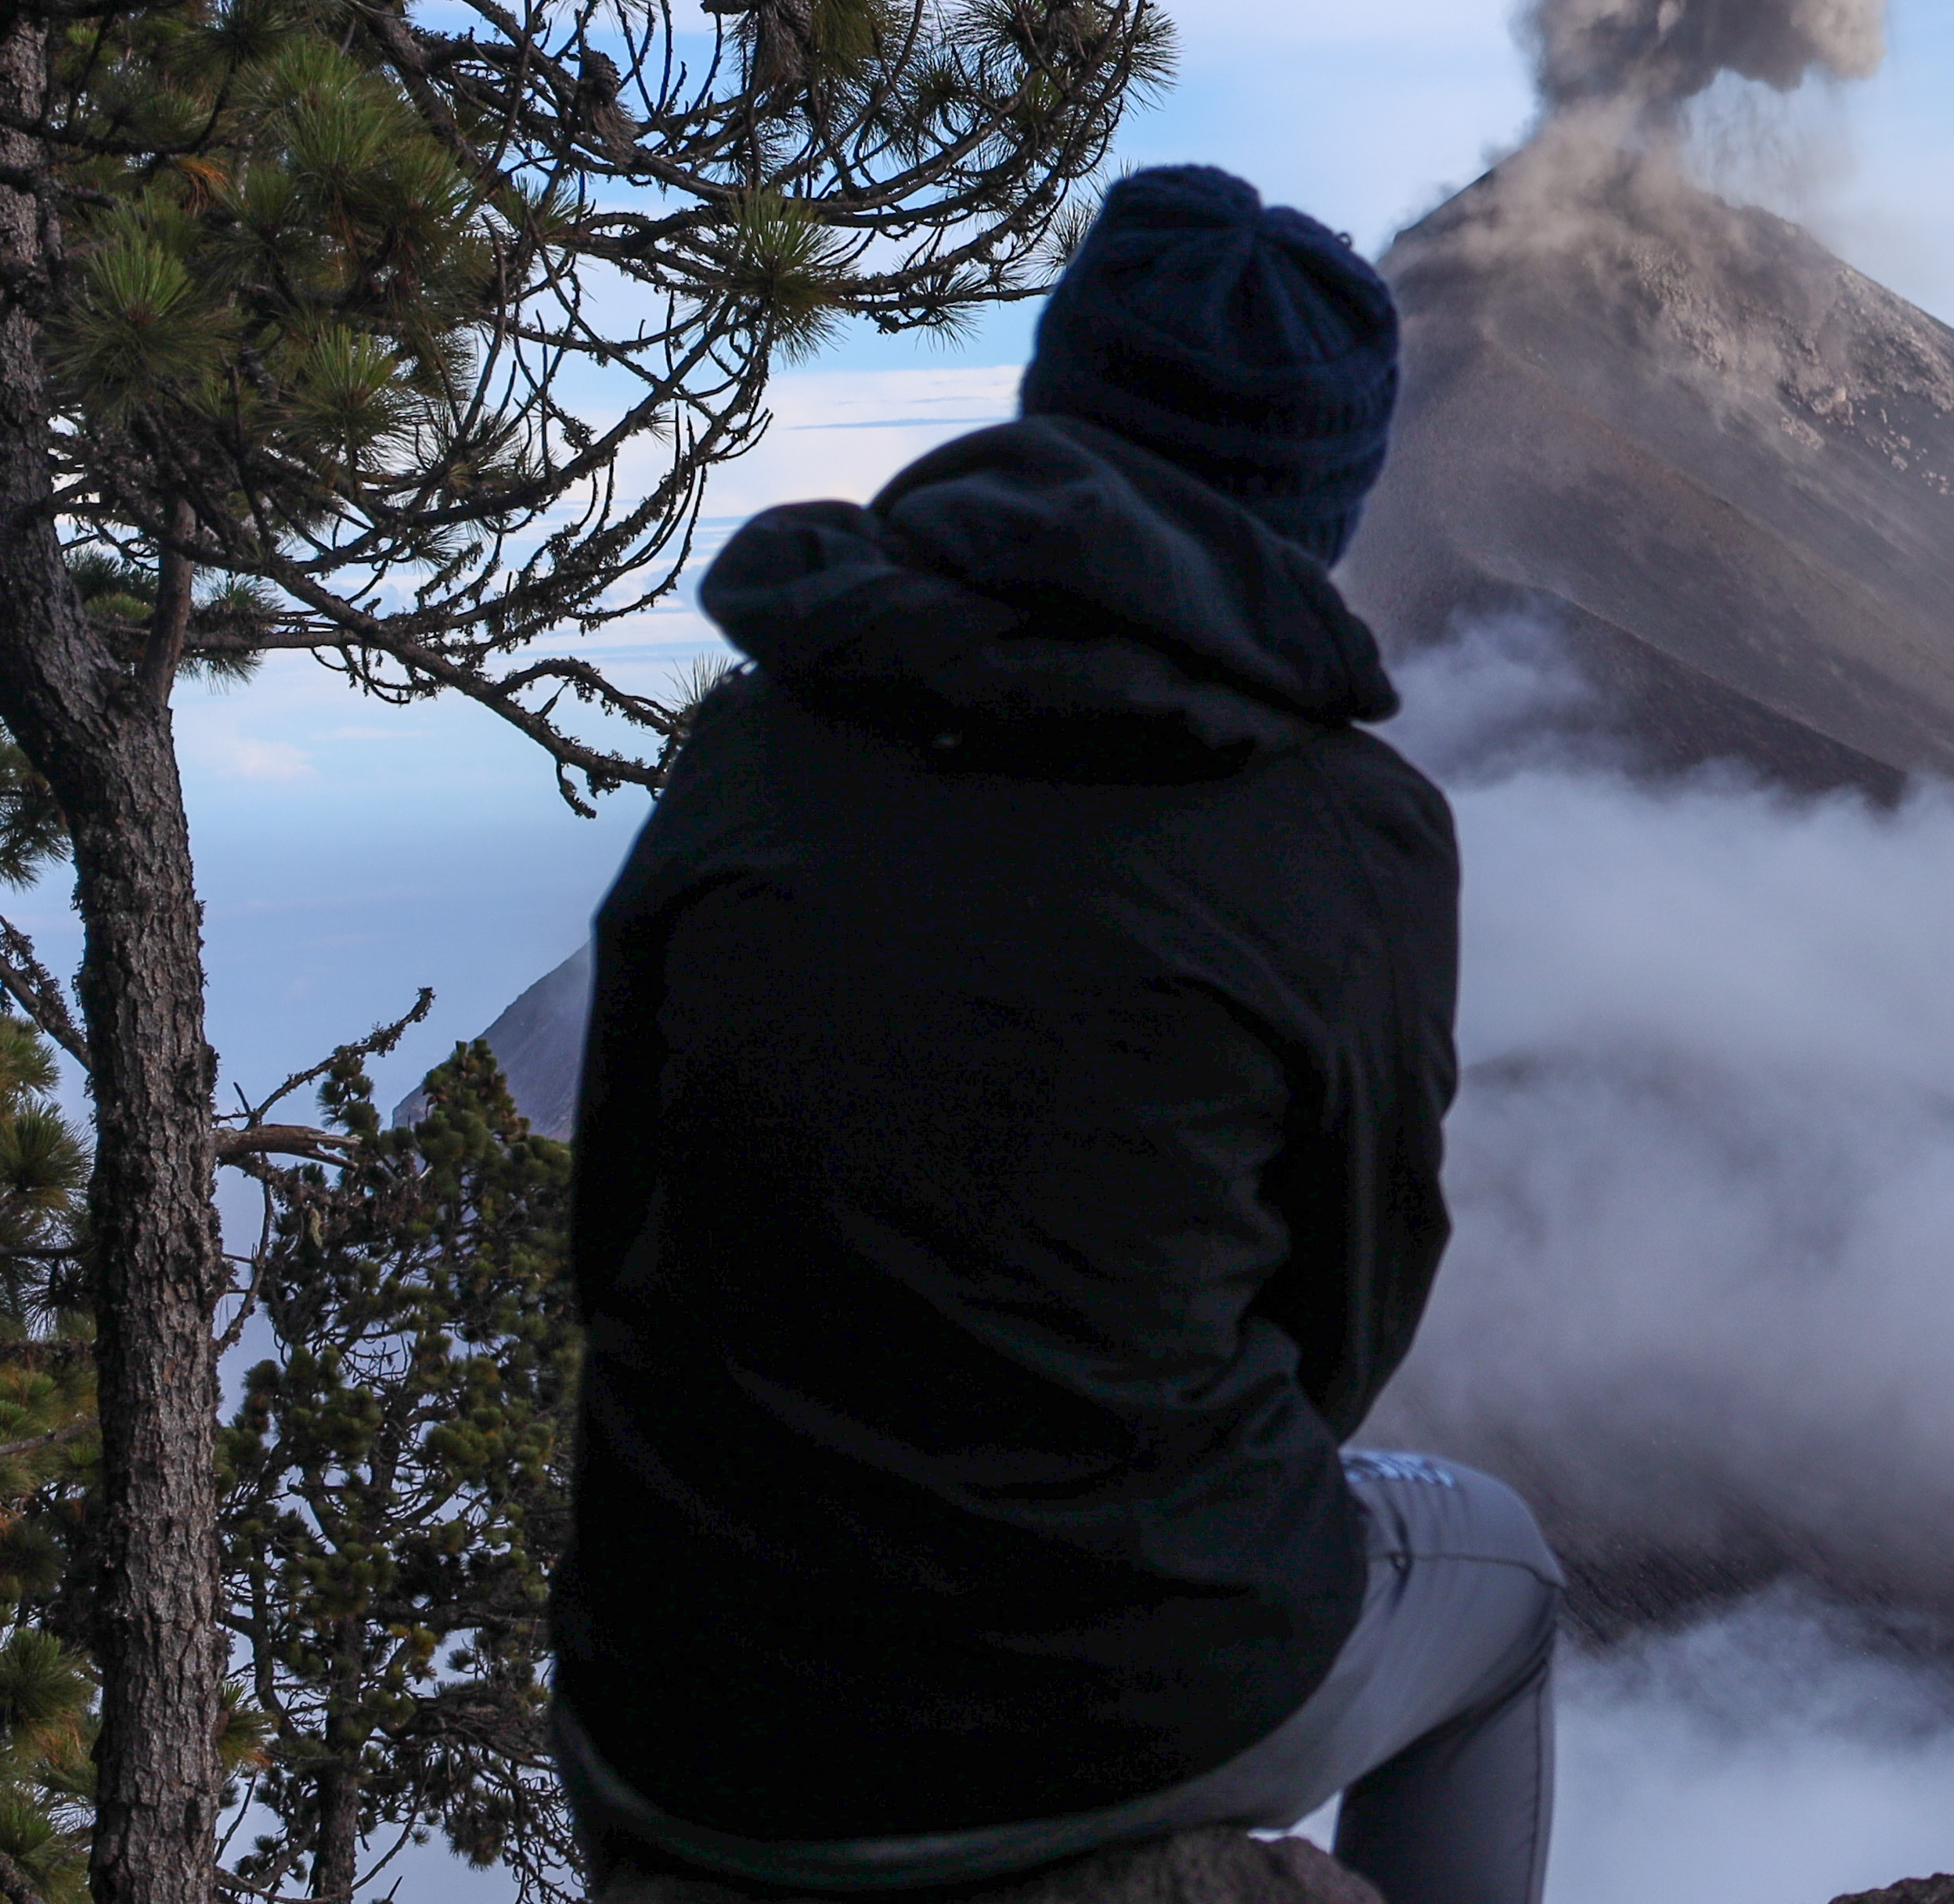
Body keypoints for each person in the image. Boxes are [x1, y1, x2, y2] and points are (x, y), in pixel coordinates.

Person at [554, 167, 1552, 1904]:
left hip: (679, 1715)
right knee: (1512, 1578)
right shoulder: (1345, 829)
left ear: (1052, 399)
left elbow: (613, 1215)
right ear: (1320, 495)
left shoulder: (767, 733)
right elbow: (1341, 1326)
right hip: (1097, 1709)